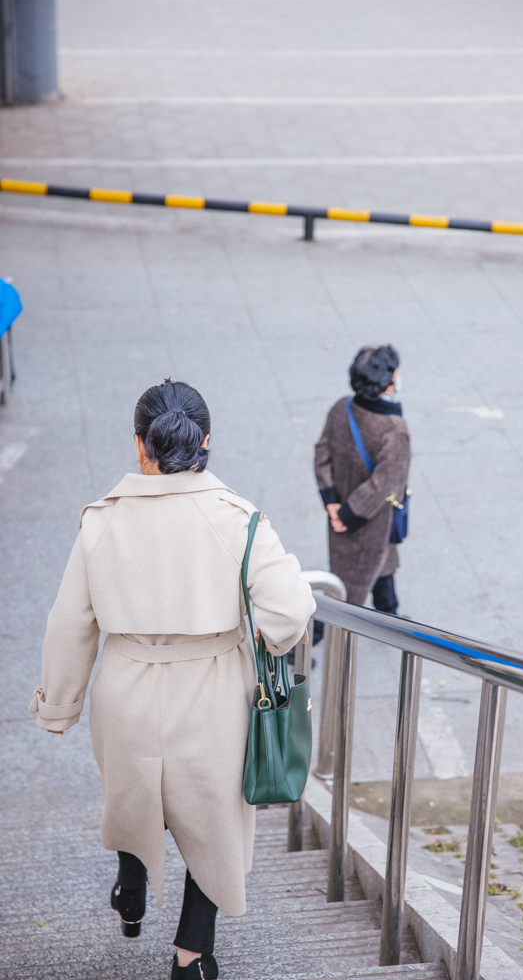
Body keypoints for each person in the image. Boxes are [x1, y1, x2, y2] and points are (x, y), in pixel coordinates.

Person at [28, 379, 316, 980]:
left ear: (141, 447)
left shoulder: (101, 522)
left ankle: (131, 892)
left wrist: (59, 705)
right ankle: (192, 955)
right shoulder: (239, 519)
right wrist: (259, 636)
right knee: (212, 821)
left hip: (127, 686)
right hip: (211, 690)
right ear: (205, 440)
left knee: (136, 792)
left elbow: (70, 623)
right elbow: (289, 611)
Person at [314, 345, 411, 612]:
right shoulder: (395, 431)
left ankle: (389, 612)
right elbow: (384, 483)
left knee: (382, 564)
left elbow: (322, 451)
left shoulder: (341, 407)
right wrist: (347, 516)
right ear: (387, 381)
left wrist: (332, 502)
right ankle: (310, 638)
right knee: (348, 589)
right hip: (369, 520)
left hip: (342, 508)